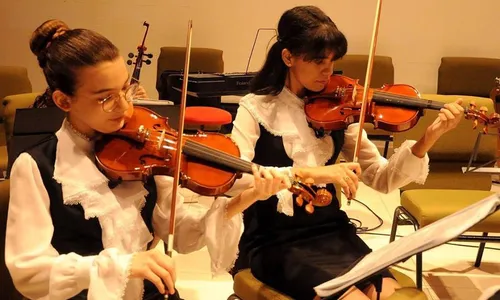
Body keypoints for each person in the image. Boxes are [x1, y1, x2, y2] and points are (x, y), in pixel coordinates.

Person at [5, 19, 290, 300]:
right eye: (106, 99)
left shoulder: (143, 151)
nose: (126, 108)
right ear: (64, 101)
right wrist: (122, 265)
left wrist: (246, 196)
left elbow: (182, 235)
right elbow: (29, 274)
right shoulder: (36, 166)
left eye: (125, 89)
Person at [228, 6, 464, 300]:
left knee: (392, 295)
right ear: (288, 57)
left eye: (332, 61)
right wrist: (312, 173)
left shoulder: (338, 109)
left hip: (334, 234)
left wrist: (427, 139)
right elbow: (233, 178)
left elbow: (382, 178)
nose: (328, 72)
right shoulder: (255, 109)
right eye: (317, 61)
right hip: (275, 242)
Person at [30, 20, 149, 109]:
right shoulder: (40, 113)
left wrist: (139, 103)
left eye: (123, 87)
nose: (125, 108)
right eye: (104, 97)